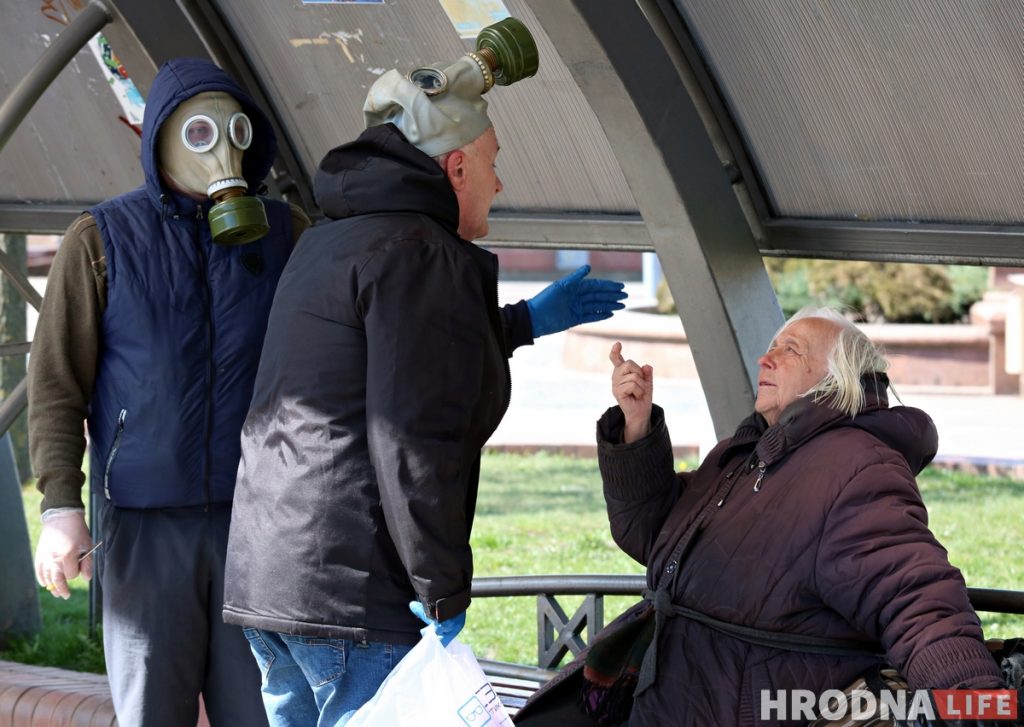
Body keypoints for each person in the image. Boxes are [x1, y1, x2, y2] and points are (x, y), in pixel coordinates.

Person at [222, 18, 627, 727]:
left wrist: (525, 322)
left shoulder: (334, 238)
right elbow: (412, 432)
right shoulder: (420, 252)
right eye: (493, 162)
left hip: (272, 576)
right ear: (456, 168)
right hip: (356, 595)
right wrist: (442, 592)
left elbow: (373, 365)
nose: (500, 183)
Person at [517, 307, 1005, 727]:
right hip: (668, 699)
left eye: (790, 350)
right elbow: (651, 535)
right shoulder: (744, 453)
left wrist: (978, 708)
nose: (764, 359)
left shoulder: (857, 466)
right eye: (771, 347)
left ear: (835, 379)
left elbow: (915, 601)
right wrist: (637, 424)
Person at [29, 57, 309, 726]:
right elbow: (57, 382)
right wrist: (61, 506)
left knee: (262, 711)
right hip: (146, 529)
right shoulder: (99, 240)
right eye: (201, 134)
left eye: (236, 131)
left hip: (259, 526)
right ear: (158, 139)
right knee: (153, 710)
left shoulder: (286, 234)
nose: (224, 151)